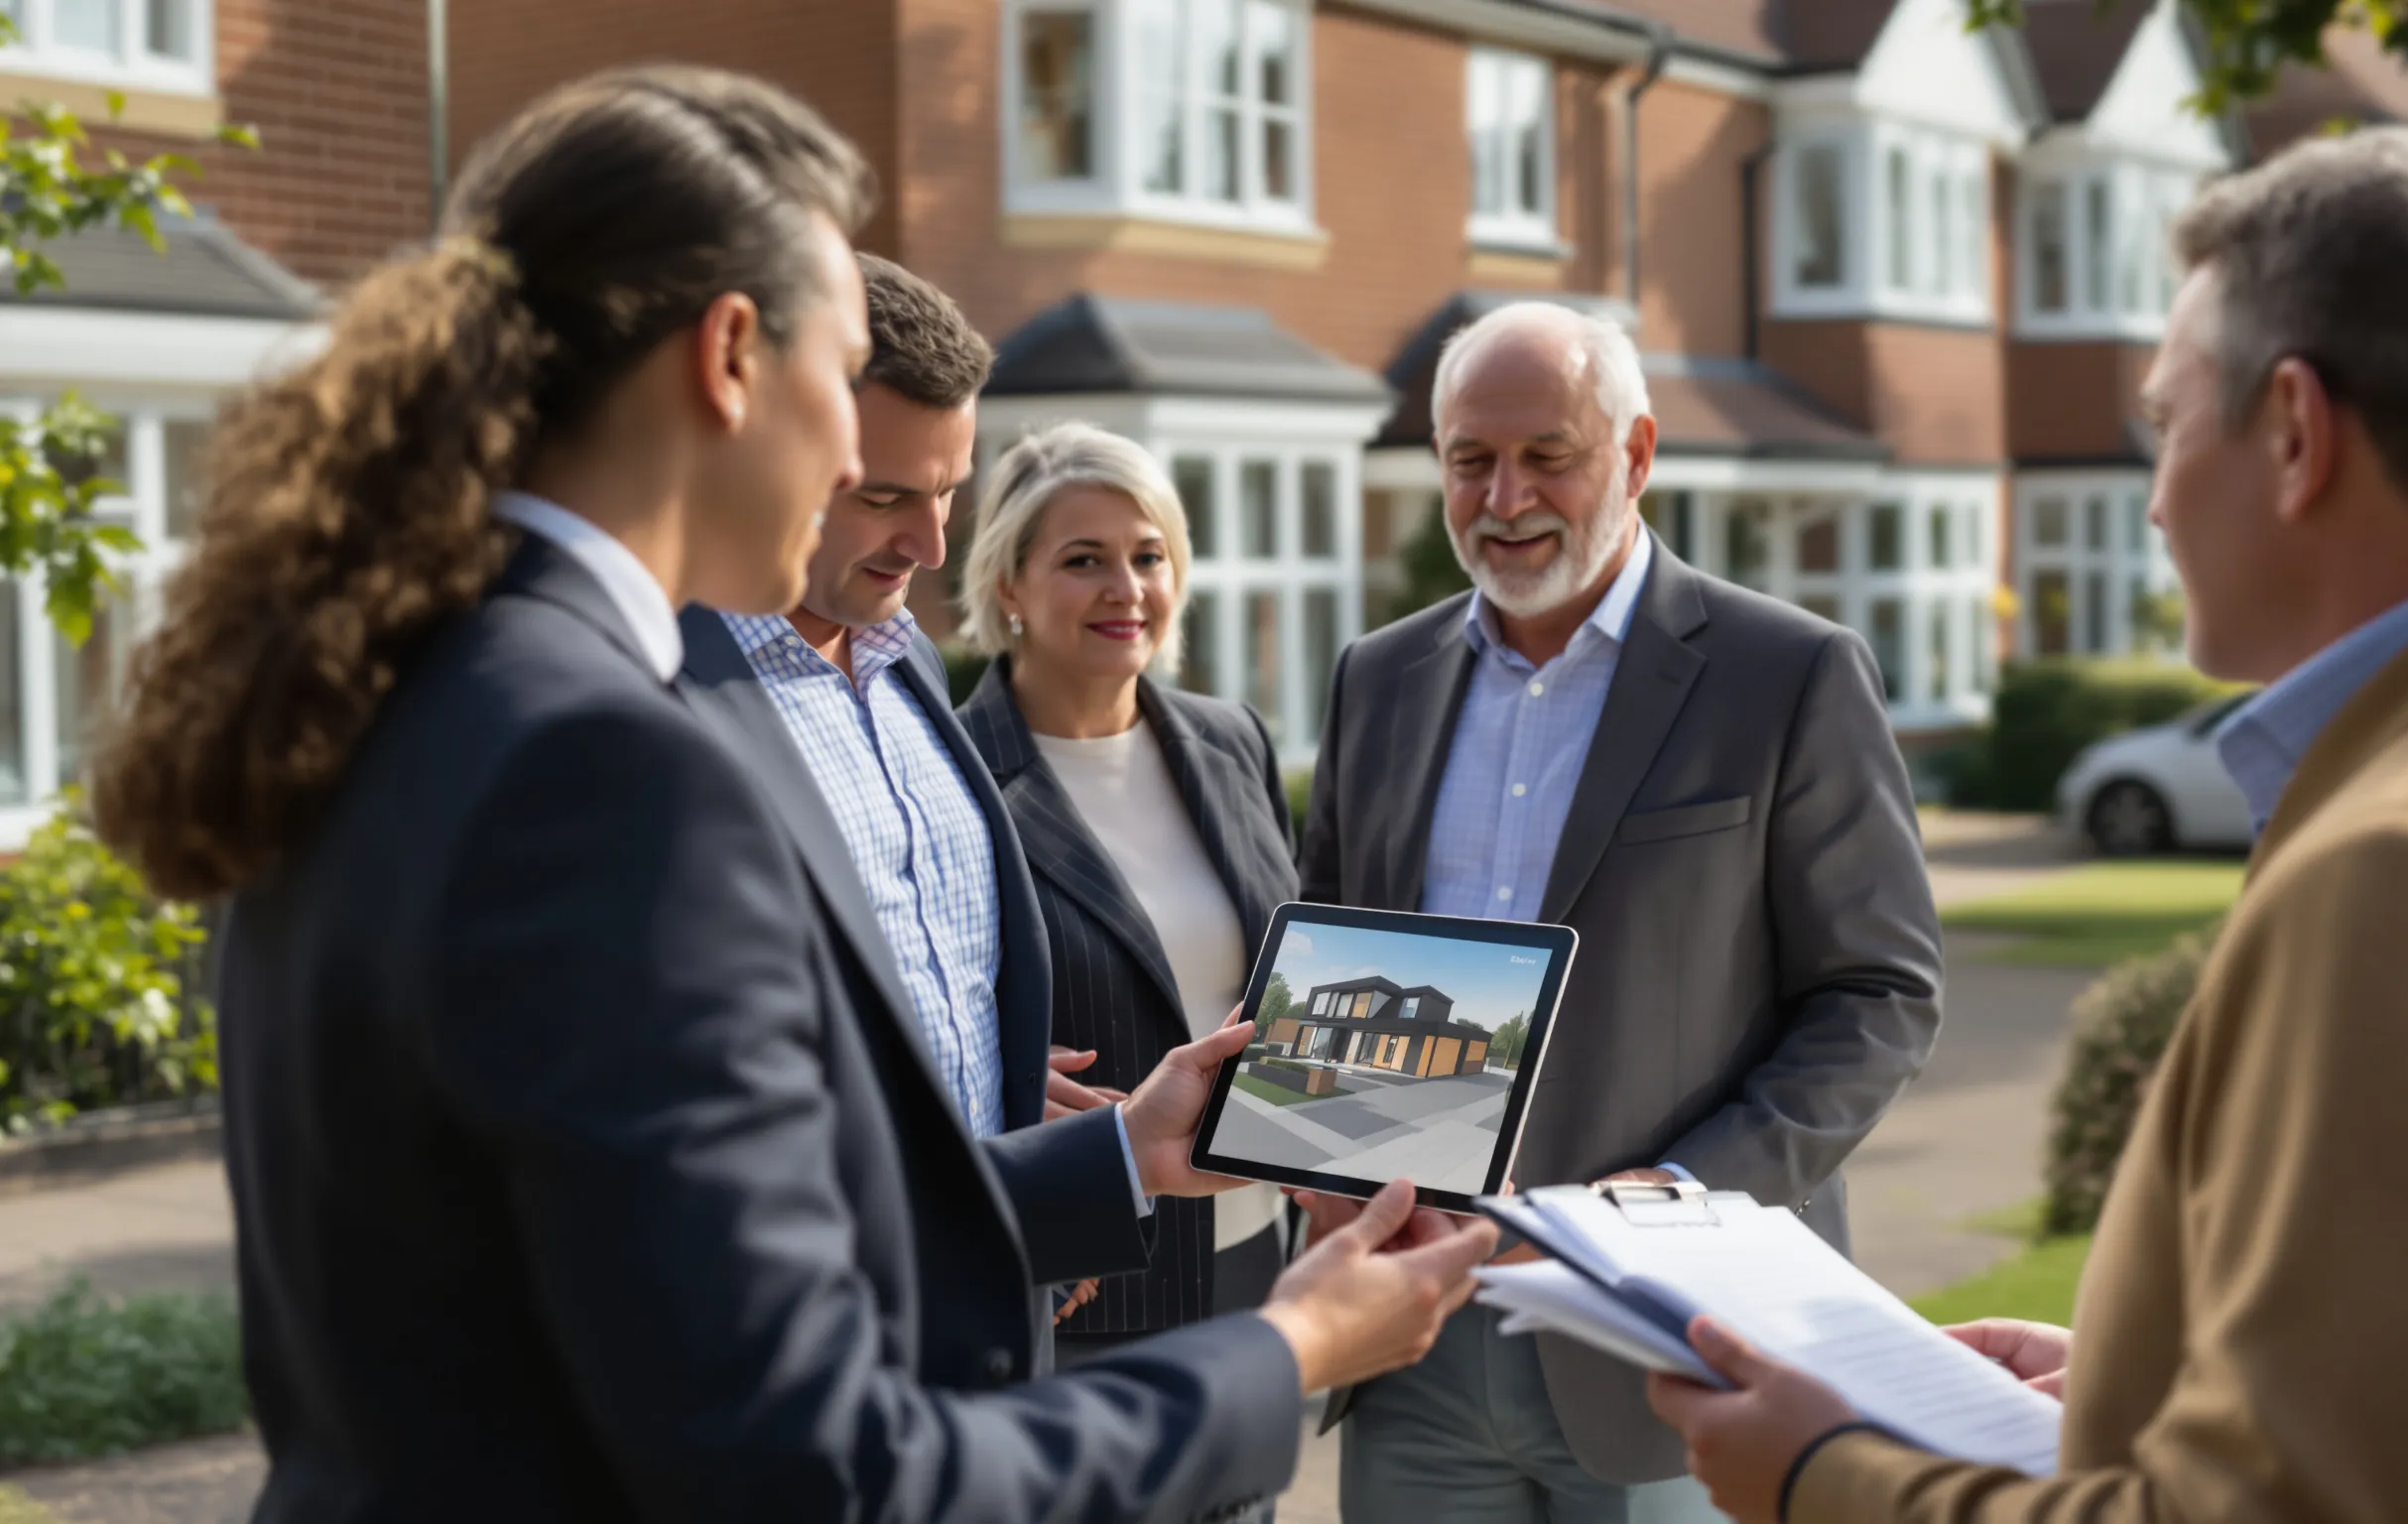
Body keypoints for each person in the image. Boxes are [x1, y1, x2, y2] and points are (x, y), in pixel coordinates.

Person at [85, 64, 1495, 1523]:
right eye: (841, 390)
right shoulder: (610, 770)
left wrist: (1117, 1159)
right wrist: (1289, 1350)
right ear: (730, 357)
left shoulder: (386, 680)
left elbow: (638, 1286)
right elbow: (819, 1471)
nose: (857, 473)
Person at [1648, 127, 2408, 1524]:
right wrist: (2152, 1392)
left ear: (2294, 432)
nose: (2154, 501)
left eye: (2166, 425)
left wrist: (1828, 1476)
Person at [1298, 300, 1946, 1522]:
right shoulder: (1375, 678)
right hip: (1412, 1339)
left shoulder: (1786, 673)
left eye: (1549, 455)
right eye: (1469, 460)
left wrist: (1672, 1204)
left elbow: (1879, 996)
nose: (1504, 497)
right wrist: (1308, 1138)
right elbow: (1334, 961)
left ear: (1636, 455)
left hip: (1673, 1340)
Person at [669, 255, 1119, 1332]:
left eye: (950, 490)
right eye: (882, 498)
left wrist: (1039, 1172)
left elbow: (943, 997)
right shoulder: (652, 707)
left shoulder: (906, 657)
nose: (929, 546)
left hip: (982, 1321)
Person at [954, 423, 1302, 1377]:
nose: (1127, 588)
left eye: (1148, 556)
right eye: (1083, 559)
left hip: (1254, 1258)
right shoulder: (949, 776)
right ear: (1008, 585)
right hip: (1084, 1278)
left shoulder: (1234, 742)